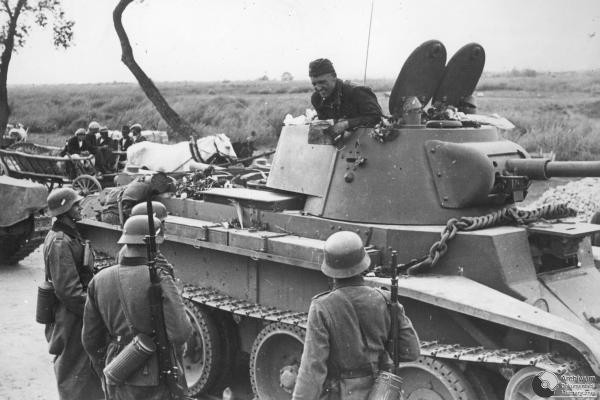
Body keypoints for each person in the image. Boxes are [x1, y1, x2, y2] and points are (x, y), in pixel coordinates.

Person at [292, 231, 420, 400]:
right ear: (364, 264)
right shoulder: (387, 300)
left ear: (330, 270)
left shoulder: (322, 307)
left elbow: (313, 368)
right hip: (381, 392)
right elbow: (411, 352)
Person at [82, 215, 192, 400]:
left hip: (116, 369)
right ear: (154, 245)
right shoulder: (160, 278)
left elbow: (90, 339)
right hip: (157, 372)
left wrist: (107, 366)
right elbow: (181, 332)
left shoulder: (99, 279)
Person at [43, 187, 104, 400]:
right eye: (76, 205)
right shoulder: (61, 240)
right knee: (72, 369)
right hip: (69, 316)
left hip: (75, 313)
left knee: (84, 370)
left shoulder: (69, 234)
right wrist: (94, 310)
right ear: (66, 210)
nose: (80, 208)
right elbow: (68, 290)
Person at [309, 58, 382, 141]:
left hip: (368, 141)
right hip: (341, 145)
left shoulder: (356, 92)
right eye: (314, 84)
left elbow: (377, 118)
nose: (318, 88)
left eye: (322, 82)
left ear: (334, 77)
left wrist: (346, 124)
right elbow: (324, 125)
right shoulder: (317, 99)